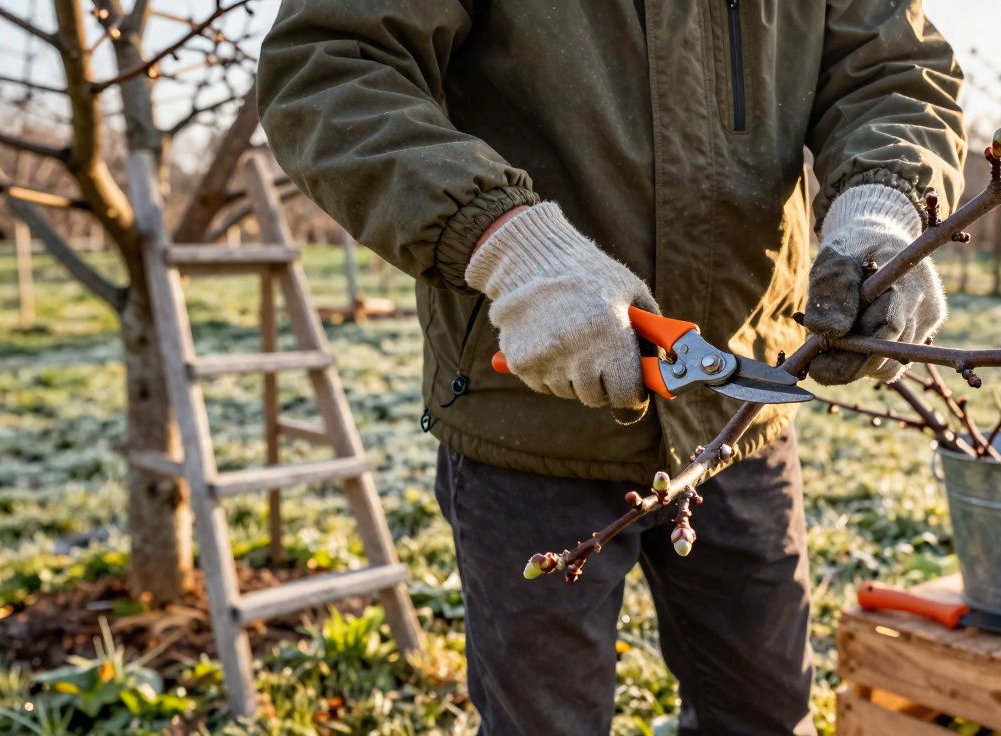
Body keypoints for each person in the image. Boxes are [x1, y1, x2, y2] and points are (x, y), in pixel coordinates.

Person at [259, 2, 964, 733]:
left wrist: (884, 208)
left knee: (764, 710)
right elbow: (332, 64)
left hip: (738, 406)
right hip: (526, 412)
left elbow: (892, 69)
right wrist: (509, 244)